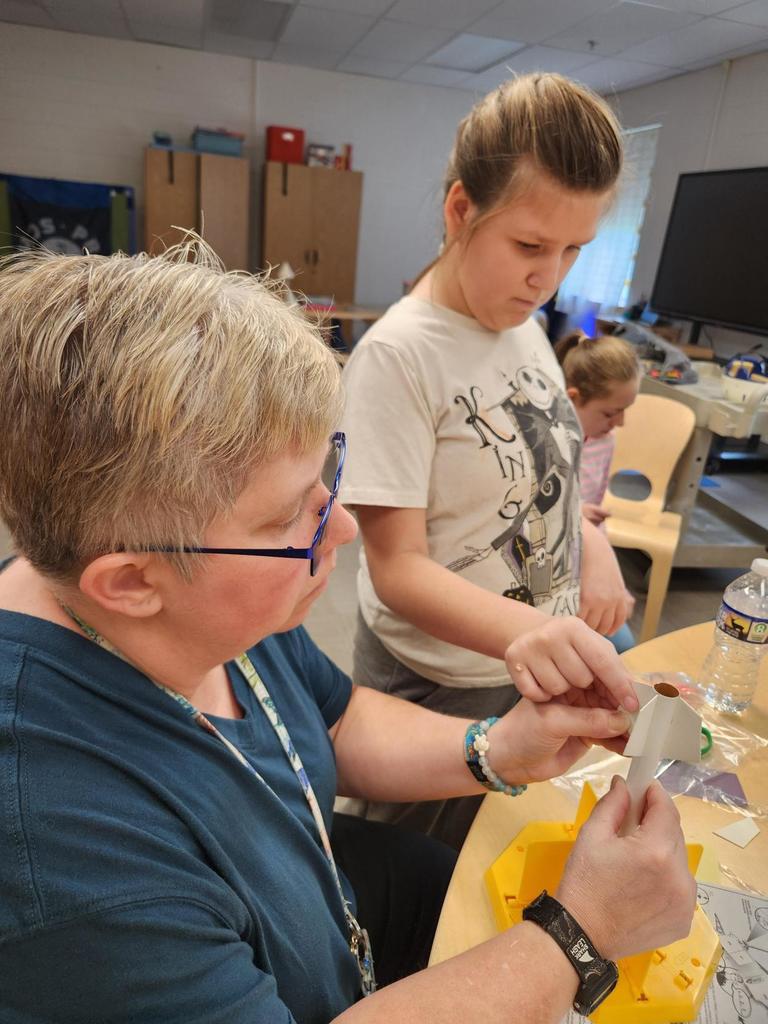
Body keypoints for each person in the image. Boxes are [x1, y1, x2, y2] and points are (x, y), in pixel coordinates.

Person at [0, 240, 695, 1024]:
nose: (341, 531)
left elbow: (333, 717)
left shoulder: (200, 598)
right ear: (131, 583)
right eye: (284, 520)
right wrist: (580, 936)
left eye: (324, 482)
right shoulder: (59, 849)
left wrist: (498, 747)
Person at [340, 73, 636, 848]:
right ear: (461, 209)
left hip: (524, 661)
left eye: (573, 250)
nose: (549, 278)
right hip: (439, 683)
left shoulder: (521, 324)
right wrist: (531, 632)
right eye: (530, 246)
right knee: (420, 880)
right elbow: (397, 568)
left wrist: (591, 543)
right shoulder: (399, 356)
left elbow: (540, 476)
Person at [555, 330, 642, 653]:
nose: (620, 422)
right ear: (572, 398)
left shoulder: (604, 441)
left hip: (581, 564)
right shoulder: (545, 442)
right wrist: (575, 514)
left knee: (623, 646)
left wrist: (611, 578)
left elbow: (595, 517)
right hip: (547, 572)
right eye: (610, 412)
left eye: (625, 410)